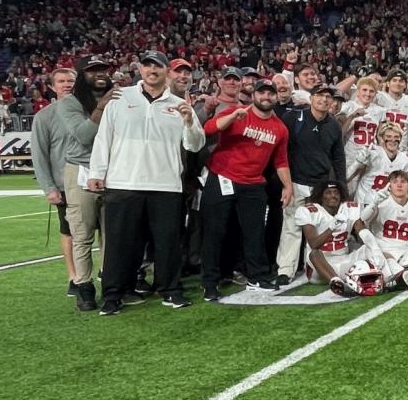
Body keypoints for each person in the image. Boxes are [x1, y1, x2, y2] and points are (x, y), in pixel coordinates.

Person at [86, 51, 206, 314]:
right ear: (140, 69)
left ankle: (171, 290)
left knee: (168, 243)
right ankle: (112, 295)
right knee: (119, 244)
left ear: (167, 72)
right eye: (148, 65)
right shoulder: (120, 98)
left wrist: (188, 121)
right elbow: (104, 137)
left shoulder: (178, 103)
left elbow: (195, 144)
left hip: (165, 185)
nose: (153, 70)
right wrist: (97, 172)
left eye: (159, 66)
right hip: (123, 182)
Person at [200, 79, 293, 302]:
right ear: (254, 95)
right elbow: (208, 129)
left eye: (270, 94)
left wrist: (288, 185)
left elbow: (281, 160)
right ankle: (210, 282)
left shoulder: (280, 128)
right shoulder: (236, 111)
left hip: (253, 184)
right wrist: (232, 117)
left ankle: (257, 276)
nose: (266, 97)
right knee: (215, 232)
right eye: (262, 93)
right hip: (222, 177)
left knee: (254, 233)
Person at [57, 57, 117, 310]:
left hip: (113, 170)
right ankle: (84, 286)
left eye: (103, 69)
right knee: (82, 234)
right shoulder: (69, 103)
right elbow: (82, 136)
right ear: (82, 75)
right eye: (93, 71)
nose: (100, 74)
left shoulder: (119, 99)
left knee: (112, 234)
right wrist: (102, 107)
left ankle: (111, 284)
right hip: (81, 169)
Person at [274, 86, 347, 284]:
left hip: (319, 185)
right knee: (291, 226)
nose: (324, 99)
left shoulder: (334, 126)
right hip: (296, 181)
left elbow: (338, 158)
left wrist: (342, 186)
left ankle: (312, 268)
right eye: (320, 95)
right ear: (311, 98)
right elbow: (281, 151)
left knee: (316, 228)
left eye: (328, 96)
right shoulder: (293, 118)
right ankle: (285, 270)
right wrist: (284, 182)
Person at [31, 67, 78, 296]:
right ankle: (73, 276)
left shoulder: (91, 112)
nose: (67, 84)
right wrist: (49, 188)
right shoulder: (44, 117)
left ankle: (102, 272)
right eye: (61, 81)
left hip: (92, 182)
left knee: (102, 230)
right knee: (68, 232)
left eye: (71, 80)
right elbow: (39, 155)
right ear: (52, 86)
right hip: (63, 185)